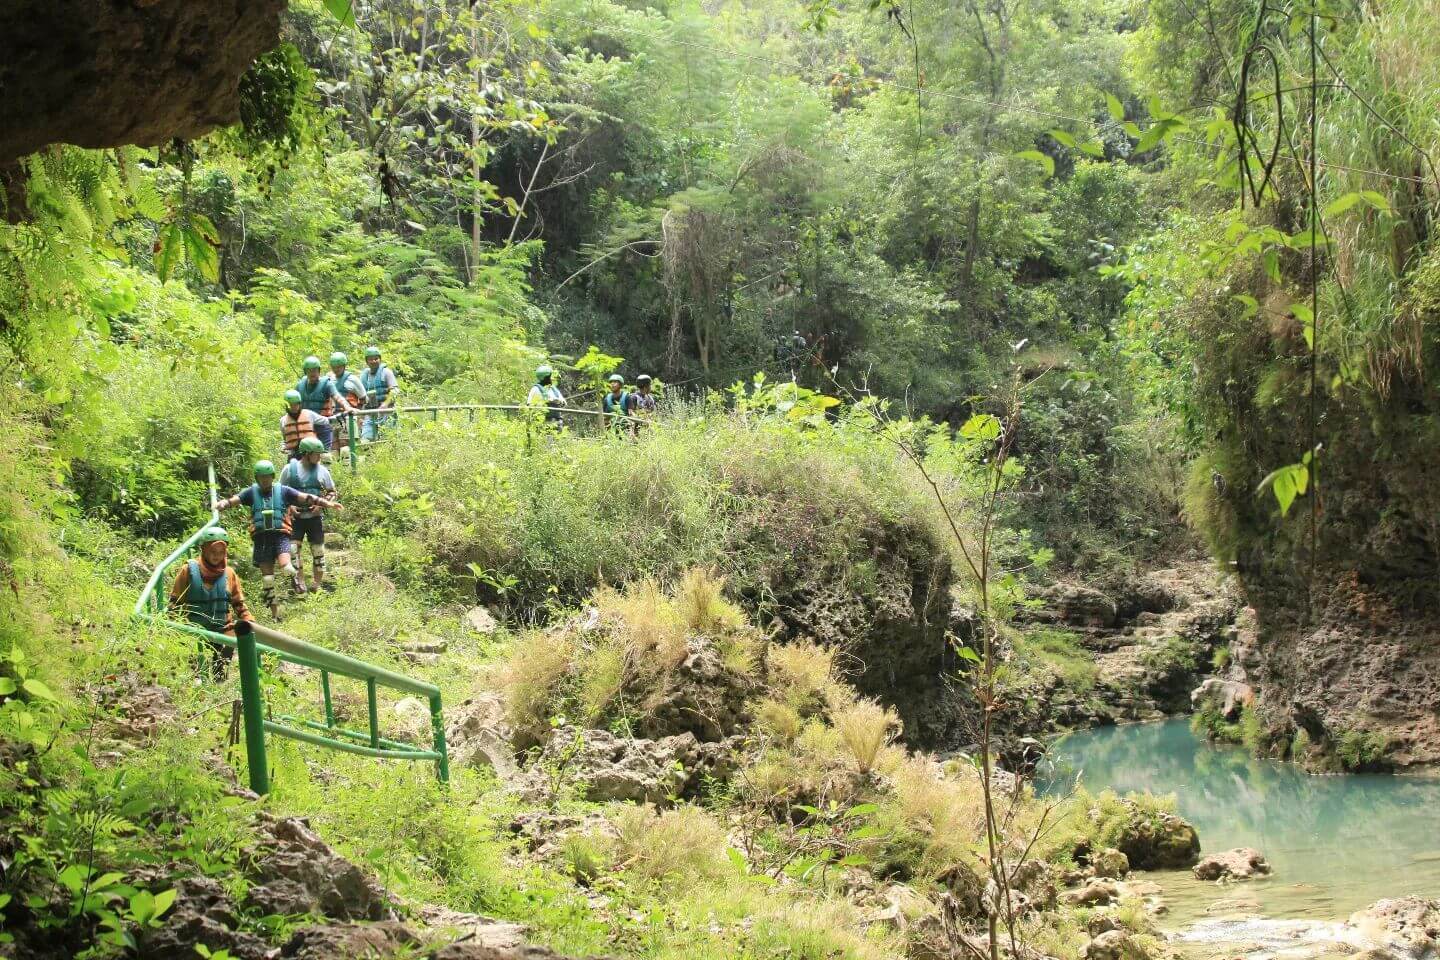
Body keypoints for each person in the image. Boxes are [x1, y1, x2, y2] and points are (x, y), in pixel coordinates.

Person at [216, 459, 340, 618]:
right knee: (268, 580)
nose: (264, 480)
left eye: (267, 477)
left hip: (280, 535)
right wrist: (222, 504)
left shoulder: (284, 491)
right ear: (256, 478)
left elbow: (306, 497)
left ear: (273, 476)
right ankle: (275, 614)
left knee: (286, 566)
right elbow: (234, 500)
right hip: (261, 539)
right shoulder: (251, 492)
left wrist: (327, 504)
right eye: (261, 477)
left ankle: (295, 579)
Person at [167, 527, 255, 678]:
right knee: (195, 671)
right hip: (193, 628)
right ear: (204, 549)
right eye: (213, 552)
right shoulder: (188, 570)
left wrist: (249, 620)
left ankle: (219, 679)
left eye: (221, 552)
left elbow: (238, 604)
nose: (217, 556)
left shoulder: (229, 573)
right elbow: (175, 602)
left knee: (228, 646)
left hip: (221, 628)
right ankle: (195, 680)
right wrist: (175, 627)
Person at [281, 437, 338, 593]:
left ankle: (316, 584)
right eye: (316, 454)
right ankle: (299, 582)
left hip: (314, 518)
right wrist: (290, 506)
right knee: (293, 550)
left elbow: (332, 492)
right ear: (306, 454)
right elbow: (280, 492)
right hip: (295, 518)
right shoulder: (289, 470)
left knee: (318, 551)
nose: (319, 457)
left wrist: (320, 505)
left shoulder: (322, 471)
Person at [296, 355, 353, 452]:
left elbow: (338, 397)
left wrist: (347, 407)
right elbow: (295, 404)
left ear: (318, 371)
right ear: (305, 371)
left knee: (325, 453)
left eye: (314, 370)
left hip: (324, 423)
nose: (312, 373)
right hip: (307, 425)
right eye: (309, 370)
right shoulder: (300, 385)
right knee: (306, 452)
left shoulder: (327, 384)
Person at [328, 352, 367, 455]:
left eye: (339, 367)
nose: (336, 369)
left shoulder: (352, 379)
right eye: (334, 367)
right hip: (334, 416)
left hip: (348, 416)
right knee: (333, 448)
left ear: (344, 366)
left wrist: (359, 416)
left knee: (345, 446)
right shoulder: (329, 379)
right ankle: (336, 470)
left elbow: (363, 398)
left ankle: (349, 469)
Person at [359, 346, 399, 442]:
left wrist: (385, 404)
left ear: (380, 359)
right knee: (366, 440)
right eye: (370, 359)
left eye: (376, 358)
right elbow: (361, 397)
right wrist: (360, 416)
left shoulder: (386, 372)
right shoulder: (364, 375)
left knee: (388, 440)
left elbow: (395, 390)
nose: (373, 361)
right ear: (367, 361)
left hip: (387, 412)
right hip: (370, 412)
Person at [280, 389, 324, 461]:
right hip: (293, 454)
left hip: (310, 452)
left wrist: (340, 417)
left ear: (299, 403)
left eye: (296, 404)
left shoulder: (309, 414)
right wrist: (283, 447)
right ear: (287, 405)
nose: (294, 407)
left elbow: (326, 420)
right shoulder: (283, 420)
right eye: (291, 404)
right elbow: (285, 439)